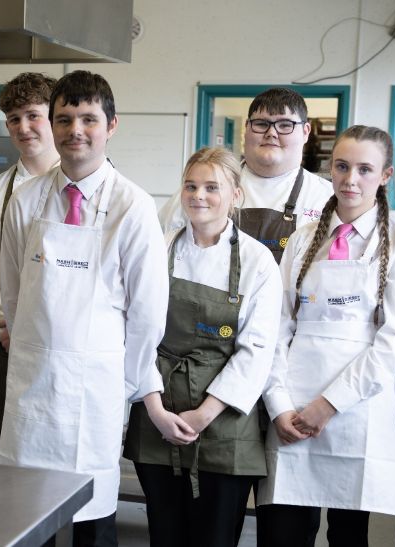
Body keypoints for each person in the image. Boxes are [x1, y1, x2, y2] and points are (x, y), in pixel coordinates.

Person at [0, 70, 168, 546]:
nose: (75, 130)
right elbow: (12, 289)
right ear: (52, 126)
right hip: (33, 377)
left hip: (97, 386)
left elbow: (148, 313)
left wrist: (123, 384)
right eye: (65, 118)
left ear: (111, 125)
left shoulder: (132, 206)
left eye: (88, 119)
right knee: (27, 514)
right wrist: (30, 345)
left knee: (93, 520)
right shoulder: (26, 199)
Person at [256, 125, 395, 547]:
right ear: (329, 169)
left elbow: (393, 342)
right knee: (283, 535)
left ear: (385, 175)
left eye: (365, 170)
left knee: (349, 537)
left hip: (356, 411)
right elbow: (275, 328)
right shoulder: (302, 240)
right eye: (342, 166)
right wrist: (278, 407)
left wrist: (328, 405)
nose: (351, 179)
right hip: (291, 408)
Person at [123, 147, 280, 547]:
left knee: (215, 536)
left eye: (212, 187)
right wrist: (156, 410)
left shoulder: (258, 262)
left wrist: (203, 415)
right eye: (191, 186)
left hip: (225, 425)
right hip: (157, 414)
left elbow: (257, 350)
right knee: (165, 533)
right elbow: (136, 334)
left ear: (235, 195)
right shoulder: (156, 249)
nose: (199, 196)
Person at [0, 72, 60, 463]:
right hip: (2, 346)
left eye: (33, 115)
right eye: (14, 118)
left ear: (54, 117)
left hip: (61, 347)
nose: (23, 127)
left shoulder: (80, 187)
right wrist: (13, 331)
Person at [158, 87, 334, 264]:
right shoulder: (202, 189)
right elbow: (159, 244)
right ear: (247, 129)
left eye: (285, 125)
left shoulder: (326, 198)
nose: (271, 133)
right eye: (261, 124)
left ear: (305, 131)